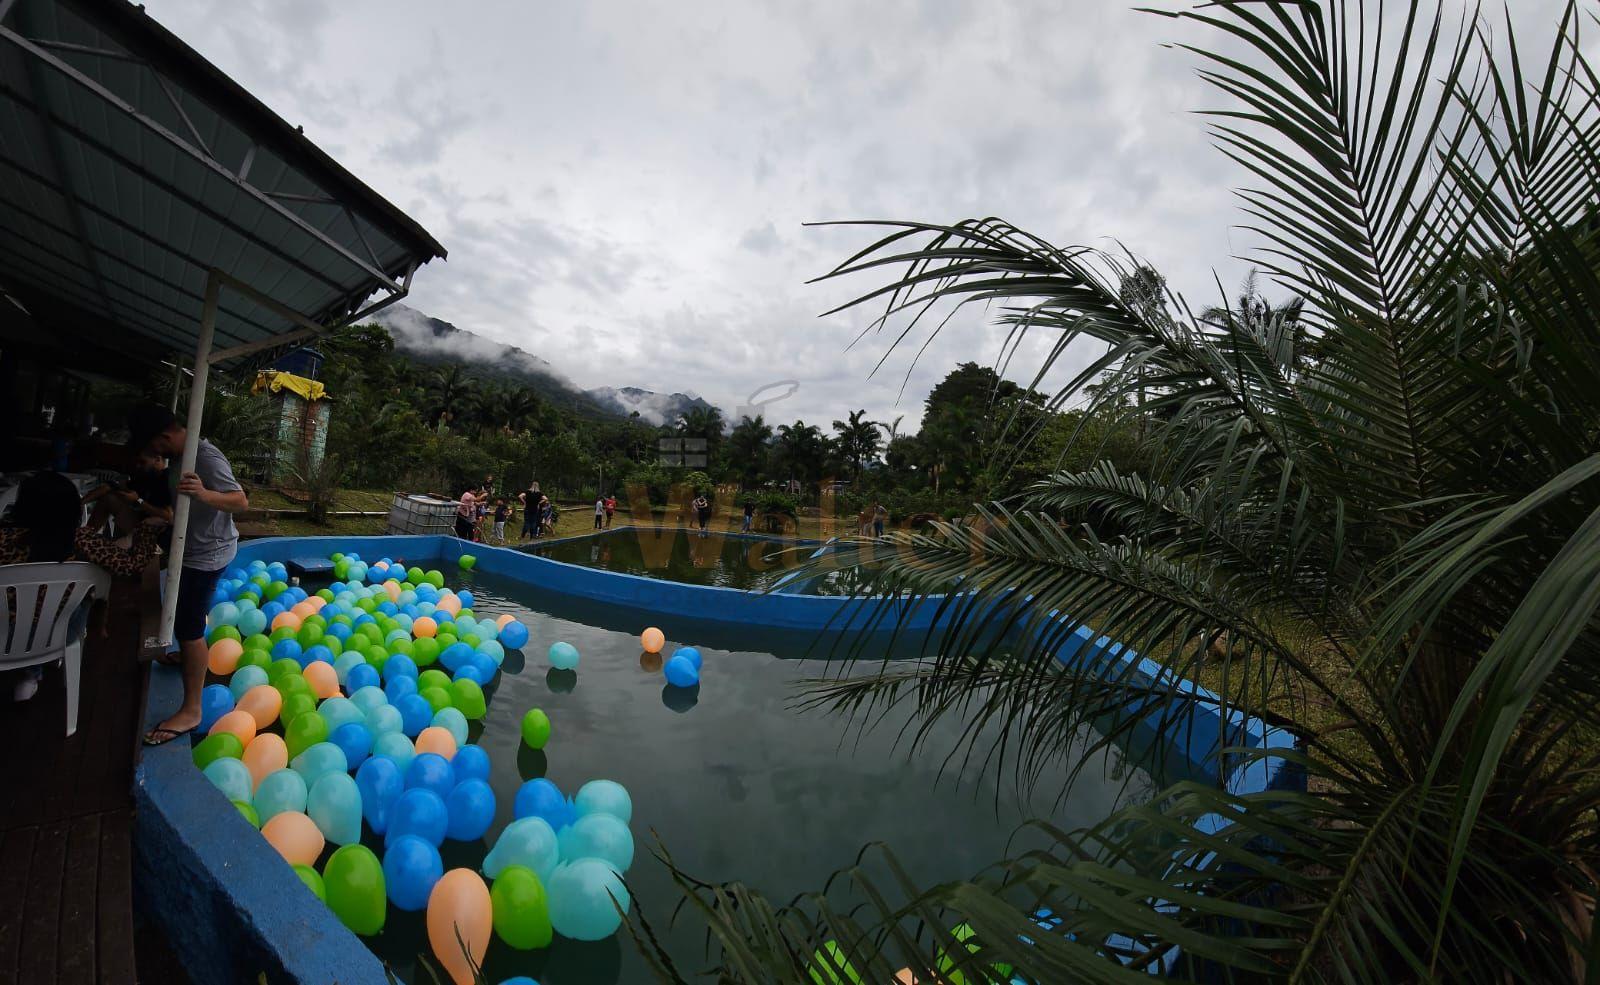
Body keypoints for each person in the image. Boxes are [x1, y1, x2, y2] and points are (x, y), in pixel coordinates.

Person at [127, 404, 249, 745]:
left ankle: (192, 710)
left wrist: (204, 494)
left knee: (189, 628)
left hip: (208, 554)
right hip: (192, 549)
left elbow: (240, 501)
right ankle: (188, 657)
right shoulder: (182, 456)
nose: (154, 454)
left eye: (153, 446)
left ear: (165, 436)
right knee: (185, 622)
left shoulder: (205, 457)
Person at [1, 471, 163, 702]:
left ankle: (30, 674)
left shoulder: (5, 538)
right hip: (55, 637)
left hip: (4, 635)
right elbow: (132, 565)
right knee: (85, 594)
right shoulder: (83, 541)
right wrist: (147, 530)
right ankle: (34, 671)